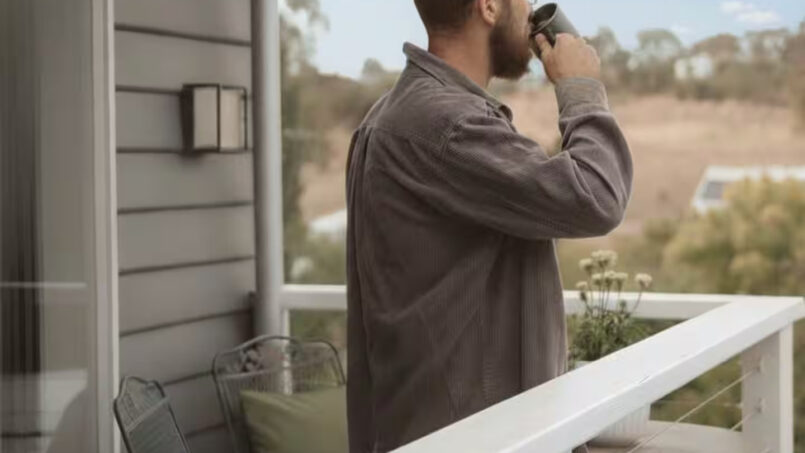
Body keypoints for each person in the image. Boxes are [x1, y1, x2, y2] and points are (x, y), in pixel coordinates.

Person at [345, 0, 632, 451]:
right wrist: (580, 87)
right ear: (490, 6)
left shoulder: (390, 116)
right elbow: (597, 196)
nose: (531, 9)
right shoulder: (448, 124)